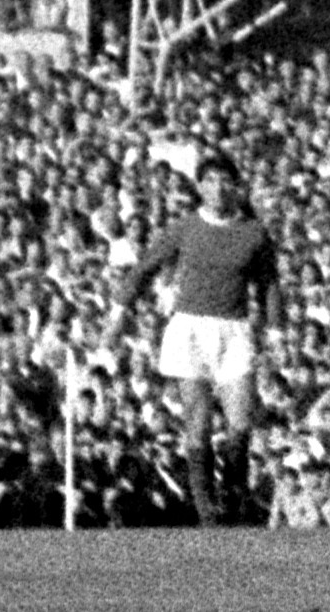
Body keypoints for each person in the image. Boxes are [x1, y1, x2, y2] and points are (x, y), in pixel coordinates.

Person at [105, 149, 279, 526]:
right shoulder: (184, 227)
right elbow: (144, 268)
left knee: (240, 421)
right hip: (190, 329)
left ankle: (233, 496)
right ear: (200, 187)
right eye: (210, 181)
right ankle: (207, 511)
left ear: (236, 187)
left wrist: (276, 331)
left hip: (234, 329)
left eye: (225, 181)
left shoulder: (253, 233)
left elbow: (268, 285)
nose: (218, 188)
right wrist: (119, 315)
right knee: (198, 423)